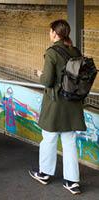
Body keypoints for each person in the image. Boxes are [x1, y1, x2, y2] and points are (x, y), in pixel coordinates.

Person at [28, 19, 86, 195]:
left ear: (54, 32)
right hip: (73, 104)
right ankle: (72, 182)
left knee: (49, 139)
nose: (49, 34)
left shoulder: (52, 52)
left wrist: (40, 74)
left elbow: (47, 81)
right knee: (69, 143)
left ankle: (44, 173)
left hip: (56, 104)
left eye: (50, 31)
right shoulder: (75, 51)